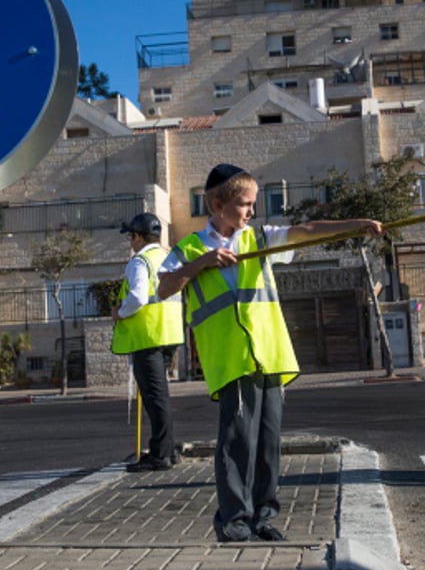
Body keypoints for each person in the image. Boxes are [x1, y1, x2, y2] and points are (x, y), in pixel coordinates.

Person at [158, 163, 383, 542]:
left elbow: (307, 231)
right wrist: (202, 264)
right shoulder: (190, 248)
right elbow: (164, 288)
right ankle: (233, 520)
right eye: (244, 204)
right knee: (235, 443)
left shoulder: (259, 238)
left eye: (252, 204)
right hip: (232, 361)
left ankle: (262, 517)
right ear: (217, 204)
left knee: (267, 444)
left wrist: (356, 223)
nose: (250, 212)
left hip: (270, 358)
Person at [112, 212, 185, 472]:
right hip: (169, 334)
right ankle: (169, 449)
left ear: (139, 236)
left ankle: (161, 455)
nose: (130, 241)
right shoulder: (168, 259)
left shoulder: (140, 261)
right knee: (160, 396)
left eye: (131, 236)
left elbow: (138, 297)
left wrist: (119, 312)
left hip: (147, 336)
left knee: (156, 399)